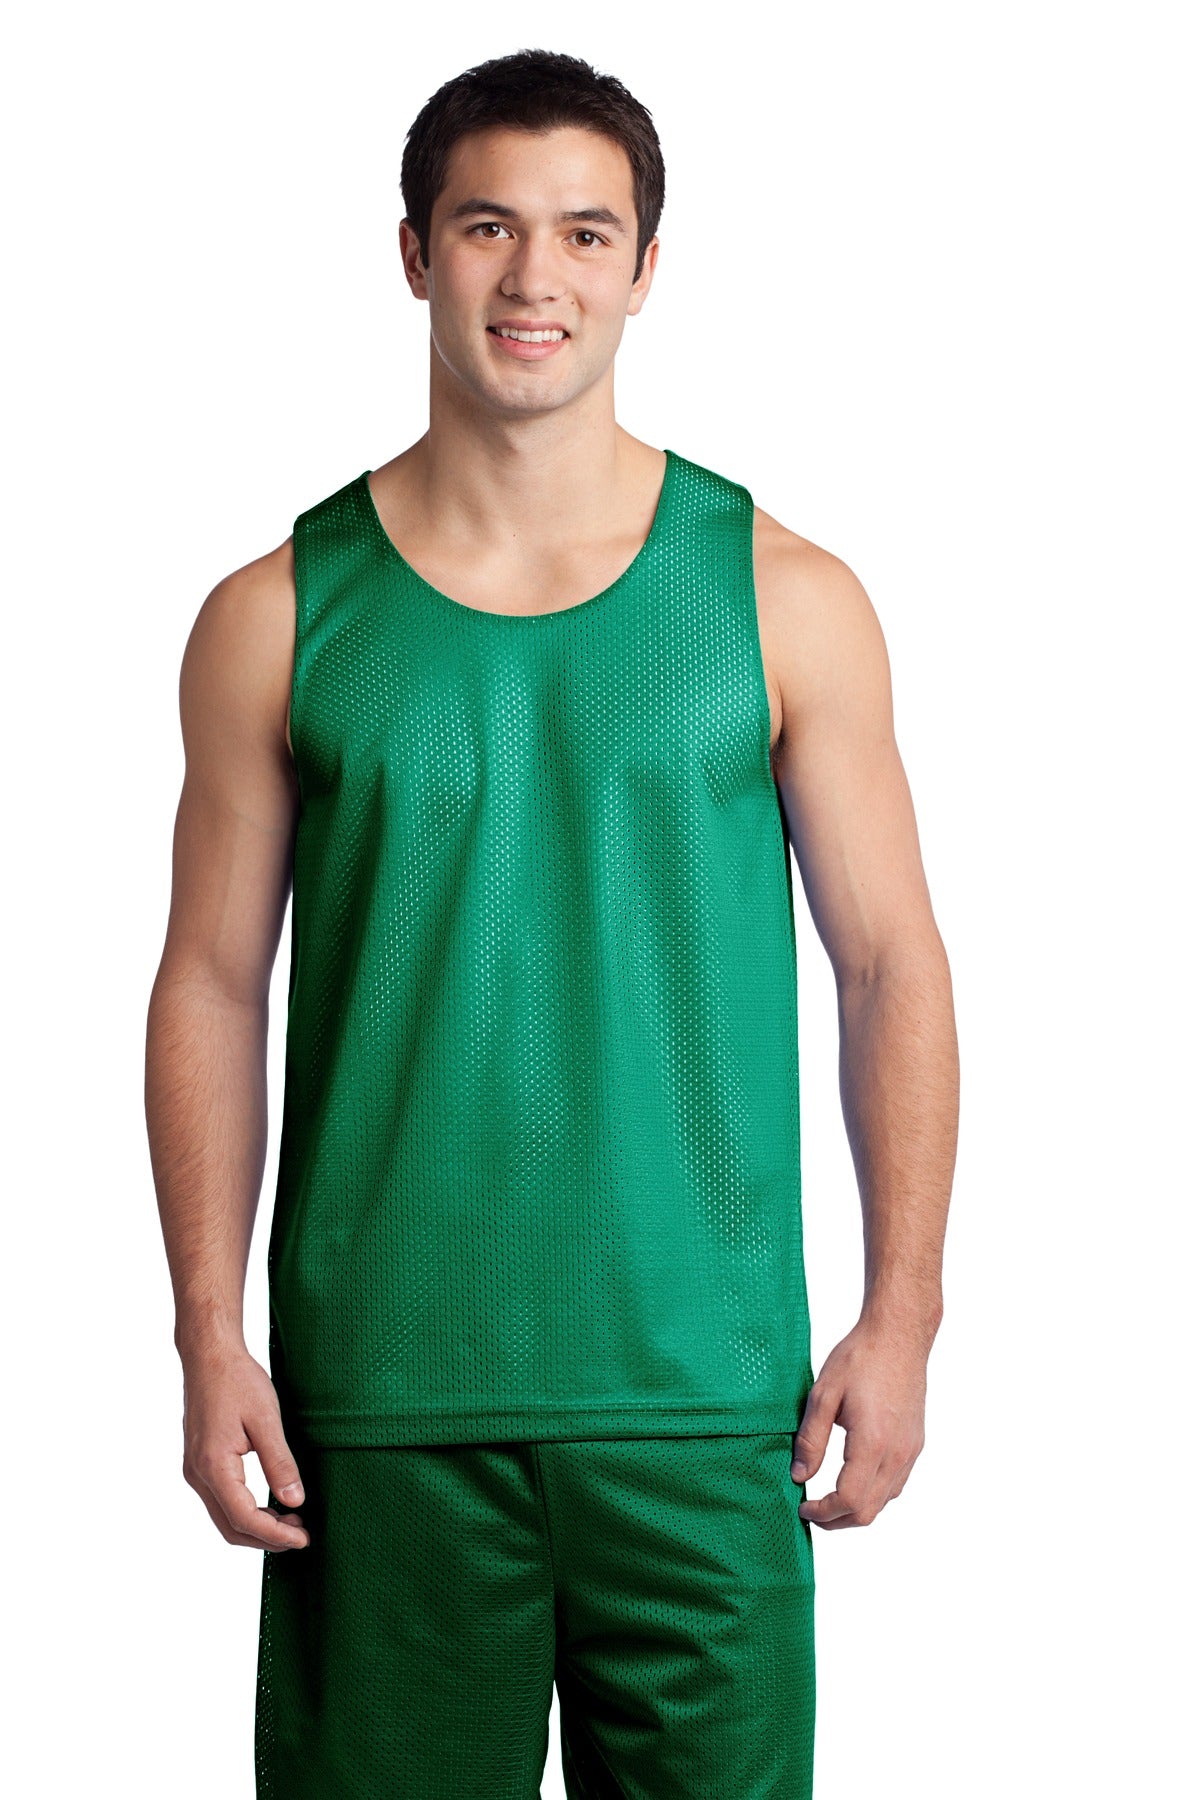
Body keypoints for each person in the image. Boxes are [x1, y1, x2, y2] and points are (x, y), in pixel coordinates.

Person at [146, 47, 958, 1800]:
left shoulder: (785, 598)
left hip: (705, 1407)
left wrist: (904, 1316)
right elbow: (210, 982)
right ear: (415, 253)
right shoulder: (276, 614)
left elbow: (891, 964)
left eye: (587, 233)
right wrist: (207, 1331)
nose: (537, 277)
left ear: (646, 268)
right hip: (380, 1411)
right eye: (488, 226)